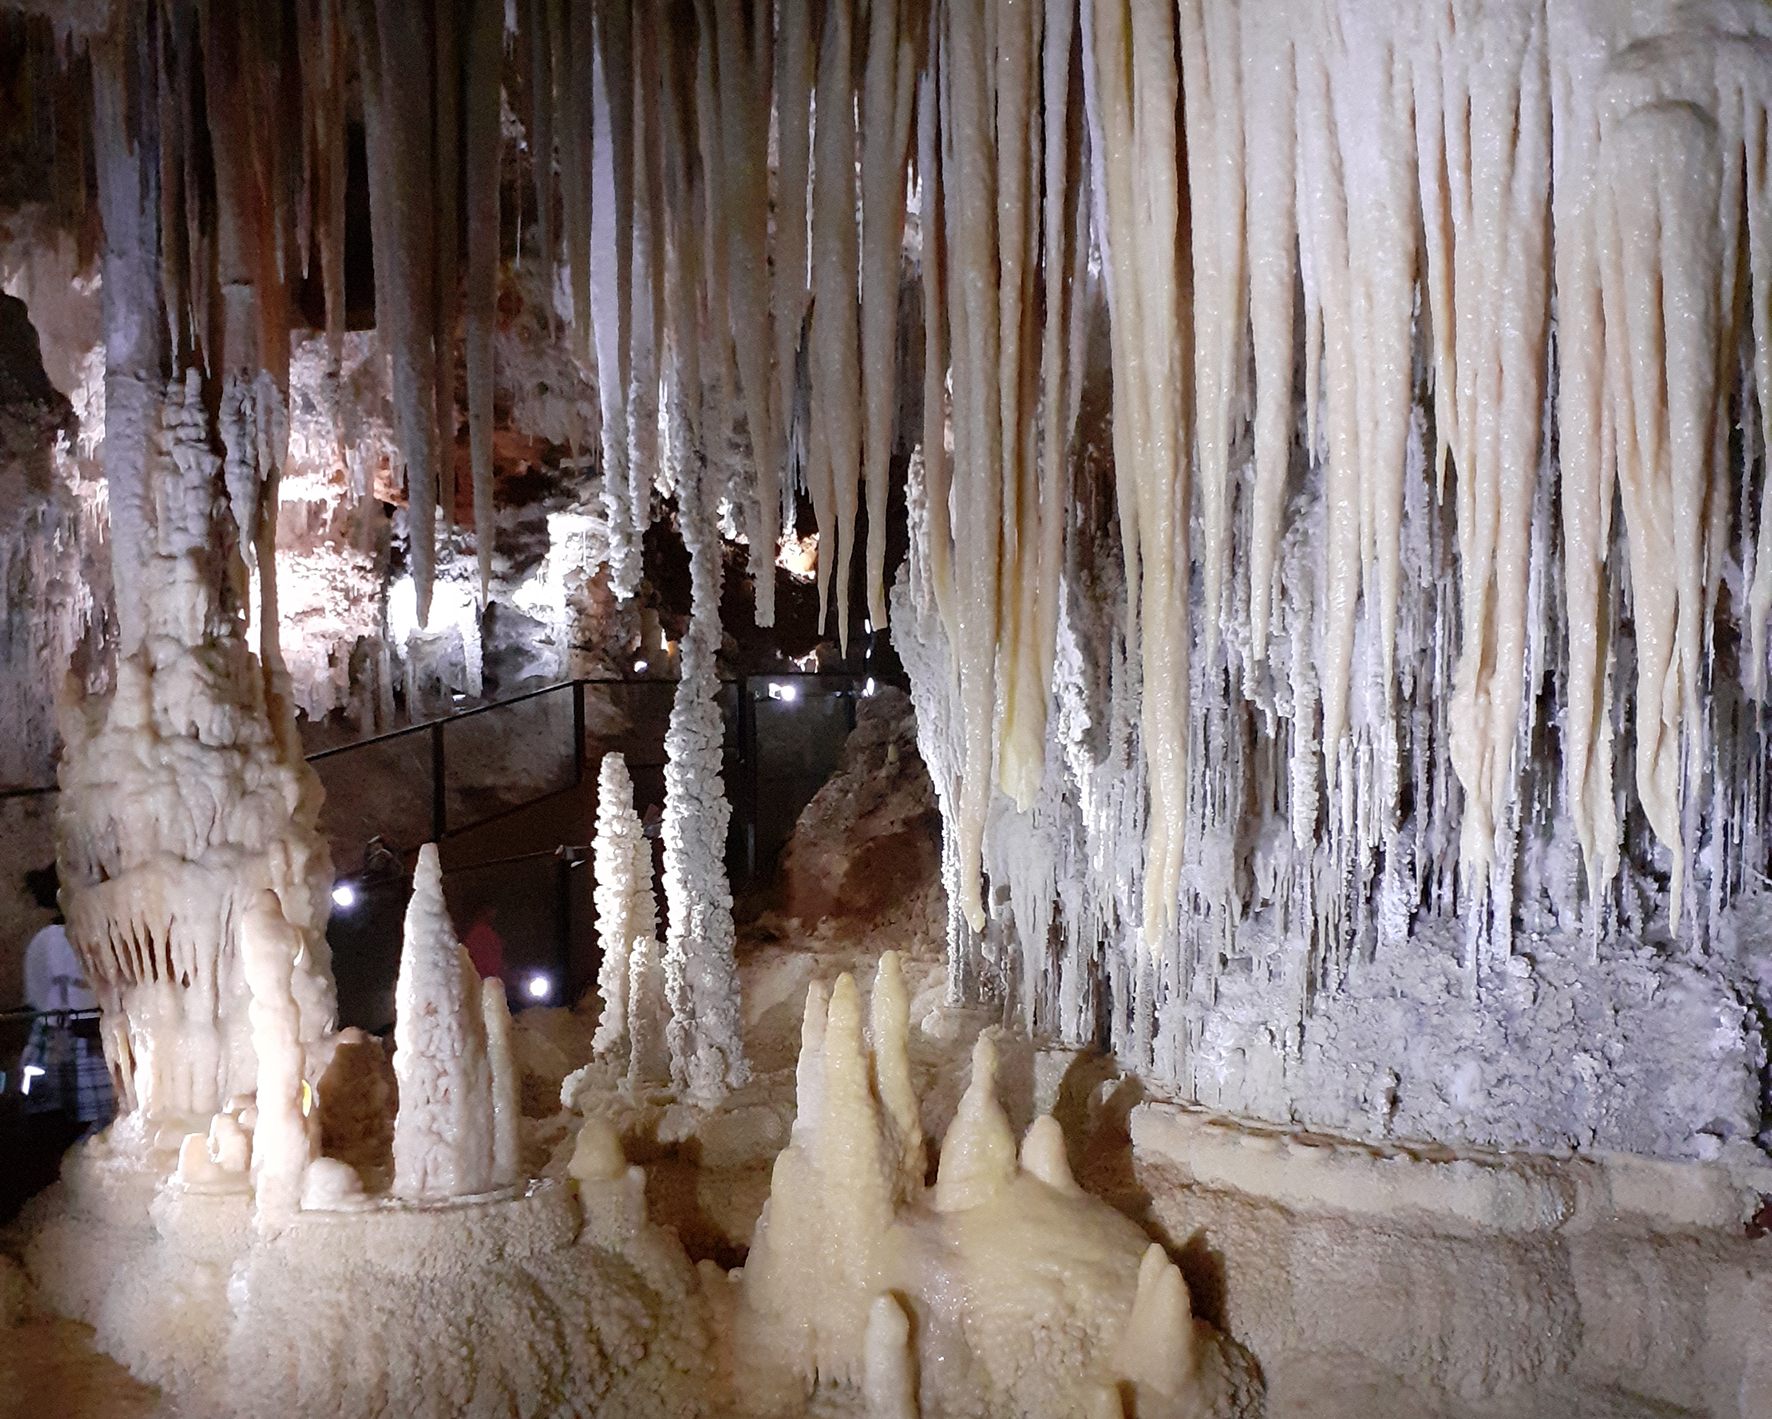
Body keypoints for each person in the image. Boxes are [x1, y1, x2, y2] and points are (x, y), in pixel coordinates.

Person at [17, 864, 112, 1131]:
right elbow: (76, 990)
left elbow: (37, 994)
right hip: (78, 1038)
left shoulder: (42, 939)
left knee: (54, 1116)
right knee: (88, 1114)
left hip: (49, 1032)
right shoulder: (62, 939)